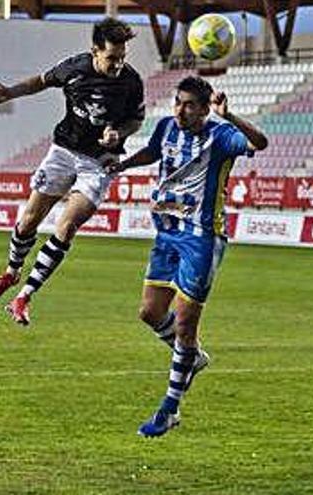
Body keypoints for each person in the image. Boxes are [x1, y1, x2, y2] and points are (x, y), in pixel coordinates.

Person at [111, 76, 268, 437]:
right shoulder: (166, 126)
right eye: (178, 102)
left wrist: (230, 116)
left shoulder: (221, 136)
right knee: (149, 313)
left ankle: (169, 409)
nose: (180, 110)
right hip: (166, 232)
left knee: (185, 325)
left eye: (189, 105)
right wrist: (123, 165)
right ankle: (191, 358)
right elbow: (154, 151)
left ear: (204, 108)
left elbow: (260, 142)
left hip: (201, 239)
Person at [0, 17, 144, 325]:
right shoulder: (75, 68)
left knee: (67, 226)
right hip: (63, 151)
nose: (118, 64)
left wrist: (119, 133)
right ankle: (11, 273)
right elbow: (41, 81)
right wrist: (9, 92)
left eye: (122, 58)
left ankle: (23, 297)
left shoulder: (131, 82)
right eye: (112, 58)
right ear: (94, 50)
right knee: (29, 220)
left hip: (98, 162)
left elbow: (136, 120)